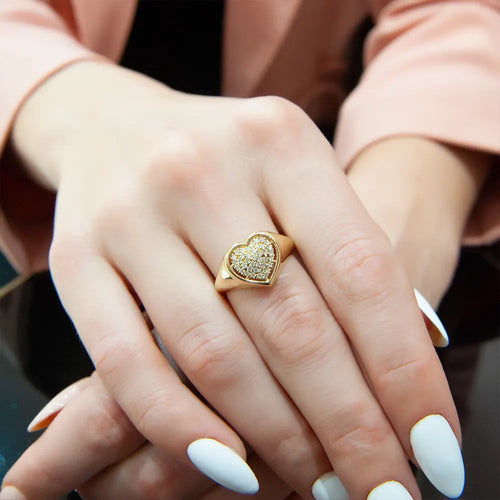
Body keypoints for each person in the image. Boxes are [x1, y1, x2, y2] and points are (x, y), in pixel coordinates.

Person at [0, 1, 499, 499]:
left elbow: (458, 13)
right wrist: (80, 110)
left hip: (347, 166)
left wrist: (382, 225)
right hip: (74, 251)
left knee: (388, 413)